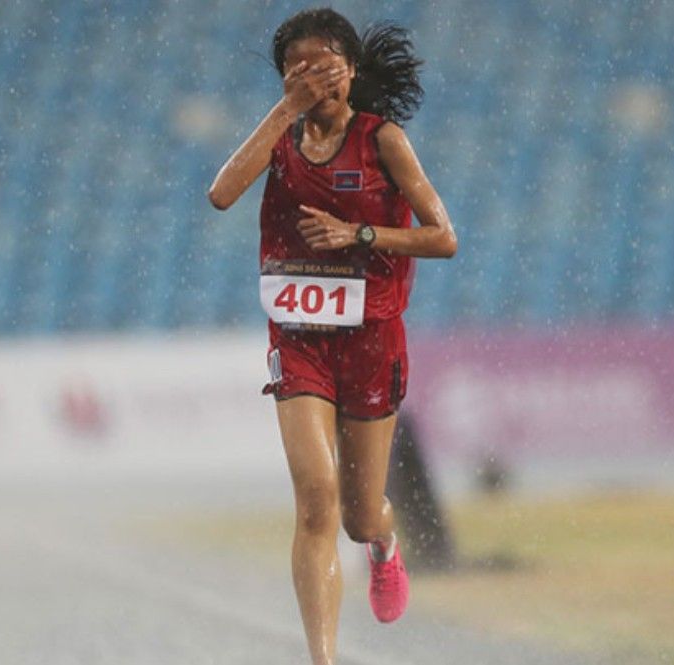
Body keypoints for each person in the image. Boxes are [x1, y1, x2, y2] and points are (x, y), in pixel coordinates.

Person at [207, 7, 456, 664]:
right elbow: (222, 192)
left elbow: (444, 237)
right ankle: (324, 658)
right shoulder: (282, 139)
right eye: (296, 68)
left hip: (372, 340)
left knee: (356, 514)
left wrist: (361, 235)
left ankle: (383, 541)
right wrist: (282, 109)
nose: (310, 76)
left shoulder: (383, 141)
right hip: (299, 338)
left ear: (350, 70)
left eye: (322, 64)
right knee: (316, 498)